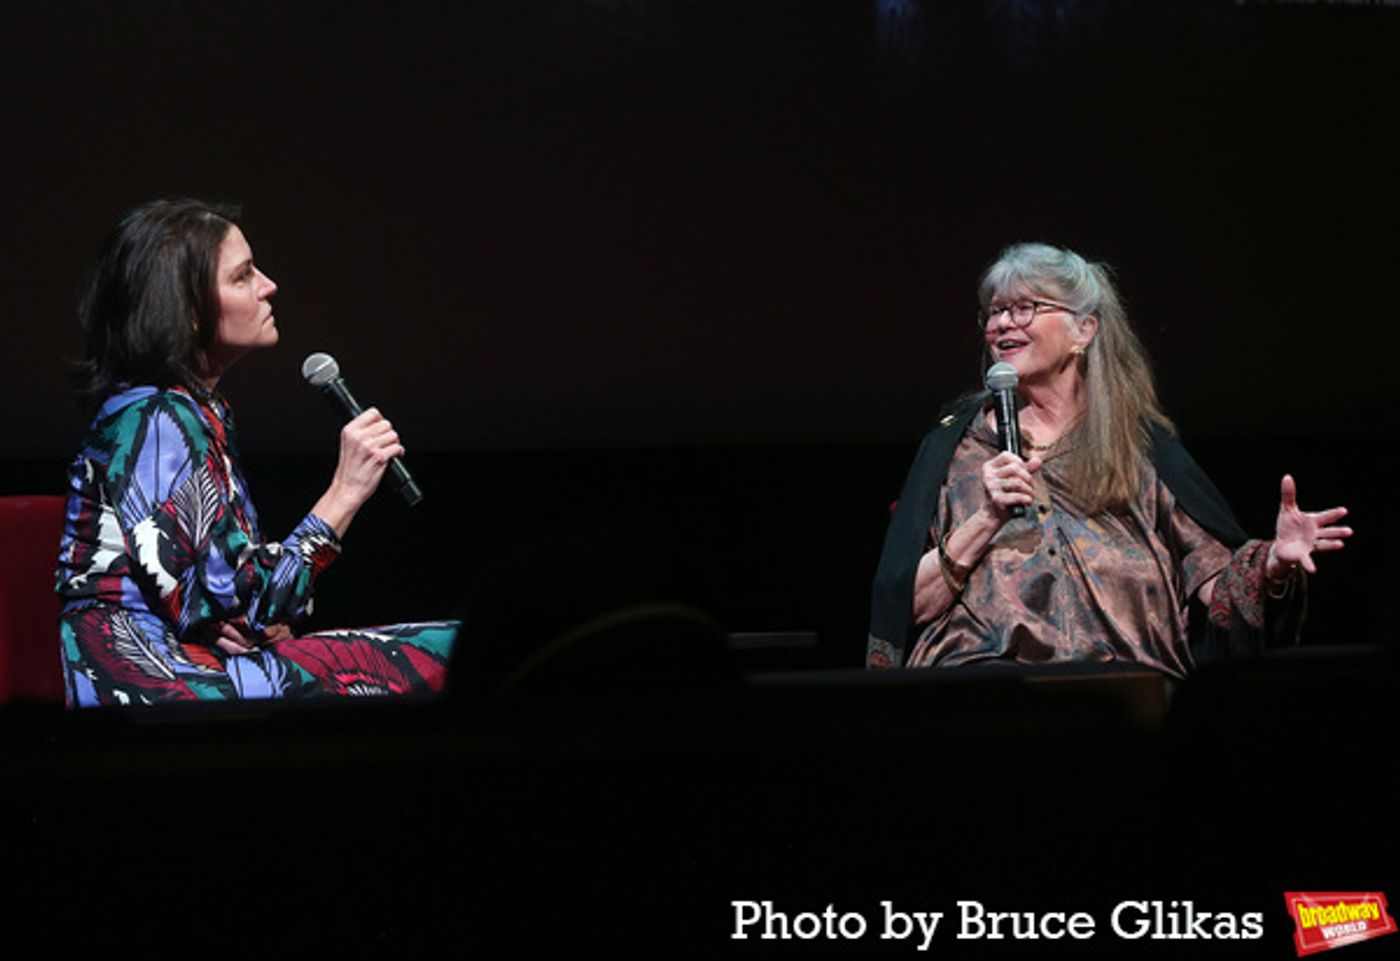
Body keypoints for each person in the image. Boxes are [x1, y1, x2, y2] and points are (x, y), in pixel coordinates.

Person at [868, 243, 1350, 677]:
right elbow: (907, 606)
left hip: (1125, 689)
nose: (1003, 324)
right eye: (994, 312)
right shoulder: (954, 450)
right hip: (986, 689)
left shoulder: (1137, 446)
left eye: (1025, 307)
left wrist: (1272, 564)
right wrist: (987, 516)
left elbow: (1215, 589)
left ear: (1084, 330)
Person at [56, 198, 456, 705]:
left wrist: (251, 622)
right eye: (243, 276)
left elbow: (234, 595)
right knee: (457, 652)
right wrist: (345, 491)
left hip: (203, 666)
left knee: (453, 647)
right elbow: (243, 603)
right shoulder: (155, 420)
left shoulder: (196, 411)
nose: (269, 286)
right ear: (190, 311)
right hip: (158, 686)